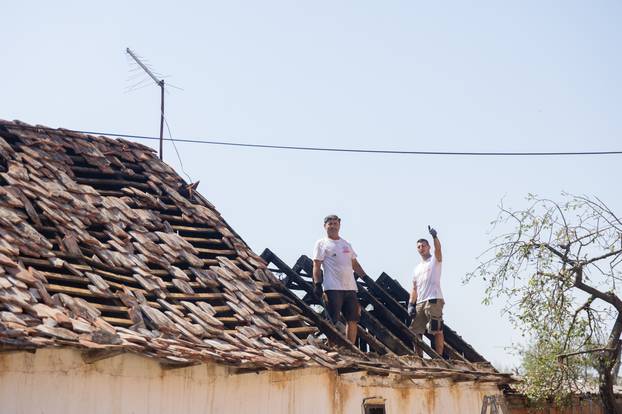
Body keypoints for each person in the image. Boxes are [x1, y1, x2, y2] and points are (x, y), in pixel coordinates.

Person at [312, 214, 367, 343]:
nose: (333, 226)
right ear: (325, 226)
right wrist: (317, 284)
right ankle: (333, 346)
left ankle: (351, 347)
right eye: (330, 224)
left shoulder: (346, 244)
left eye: (335, 223)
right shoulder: (322, 243)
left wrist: (365, 277)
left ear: (339, 225)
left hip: (350, 288)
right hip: (332, 288)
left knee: (353, 319)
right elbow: (316, 265)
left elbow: (354, 264)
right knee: (333, 320)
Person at [408, 225, 445, 357]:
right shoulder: (416, 268)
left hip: (433, 299)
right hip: (420, 302)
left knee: (437, 329)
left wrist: (435, 237)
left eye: (424, 245)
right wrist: (411, 304)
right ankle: (419, 358)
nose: (421, 248)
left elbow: (439, 250)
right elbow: (414, 288)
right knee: (415, 331)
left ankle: (439, 358)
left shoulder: (435, 260)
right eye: (419, 246)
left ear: (428, 247)